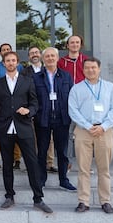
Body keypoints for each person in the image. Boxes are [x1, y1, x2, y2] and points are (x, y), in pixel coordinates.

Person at [0, 51, 52, 213]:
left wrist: (29, 111)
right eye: (7, 61)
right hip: (5, 130)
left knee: (32, 163)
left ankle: (38, 198)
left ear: (17, 63)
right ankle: (9, 196)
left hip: (24, 128)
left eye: (13, 60)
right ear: (4, 64)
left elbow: (35, 103)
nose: (10, 63)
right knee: (7, 165)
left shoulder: (28, 81)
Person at [68, 57, 113, 214]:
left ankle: (105, 201)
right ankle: (83, 201)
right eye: (87, 68)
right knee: (83, 169)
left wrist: (103, 127)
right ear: (83, 70)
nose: (90, 70)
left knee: (104, 169)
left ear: (99, 69)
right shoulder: (76, 89)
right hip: (84, 131)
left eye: (93, 68)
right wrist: (87, 126)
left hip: (104, 131)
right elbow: (73, 110)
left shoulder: (110, 88)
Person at [32, 47, 76, 191]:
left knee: (62, 152)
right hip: (42, 119)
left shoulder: (66, 76)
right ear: (43, 59)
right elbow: (33, 98)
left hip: (62, 119)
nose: (50, 58)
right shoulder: (36, 77)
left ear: (57, 58)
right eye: (47, 56)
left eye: (53, 56)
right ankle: (41, 180)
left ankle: (63, 180)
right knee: (42, 151)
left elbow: (72, 97)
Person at [21, 46, 58, 173]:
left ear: (41, 55)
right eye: (31, 53)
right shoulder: (25, 72)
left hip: (47, 109)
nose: (34, 55)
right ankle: (34, 163)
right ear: (29, 57)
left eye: (36, 52)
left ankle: (49, 163)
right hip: (32, 108)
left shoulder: (47, 69)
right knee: (34, 138)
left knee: (50, 139)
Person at [58, 35, 89, 172]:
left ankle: (85, 164)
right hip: (66, 102)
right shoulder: (61, 62)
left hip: (84, 102)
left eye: (77, 42)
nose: (75, 44)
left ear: (80, 44)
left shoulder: (86, 61)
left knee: (85, 134)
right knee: (68, 134)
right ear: (67, 45)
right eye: (72, 42)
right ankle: (67, 163)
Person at [0, 43, 23, 170]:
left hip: (16, 106)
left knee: (16, 133)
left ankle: (17, 159)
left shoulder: (20, 67)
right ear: (0, 53)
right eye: (3, 50)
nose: (5, 51)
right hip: (1, 105)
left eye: (8, 50)